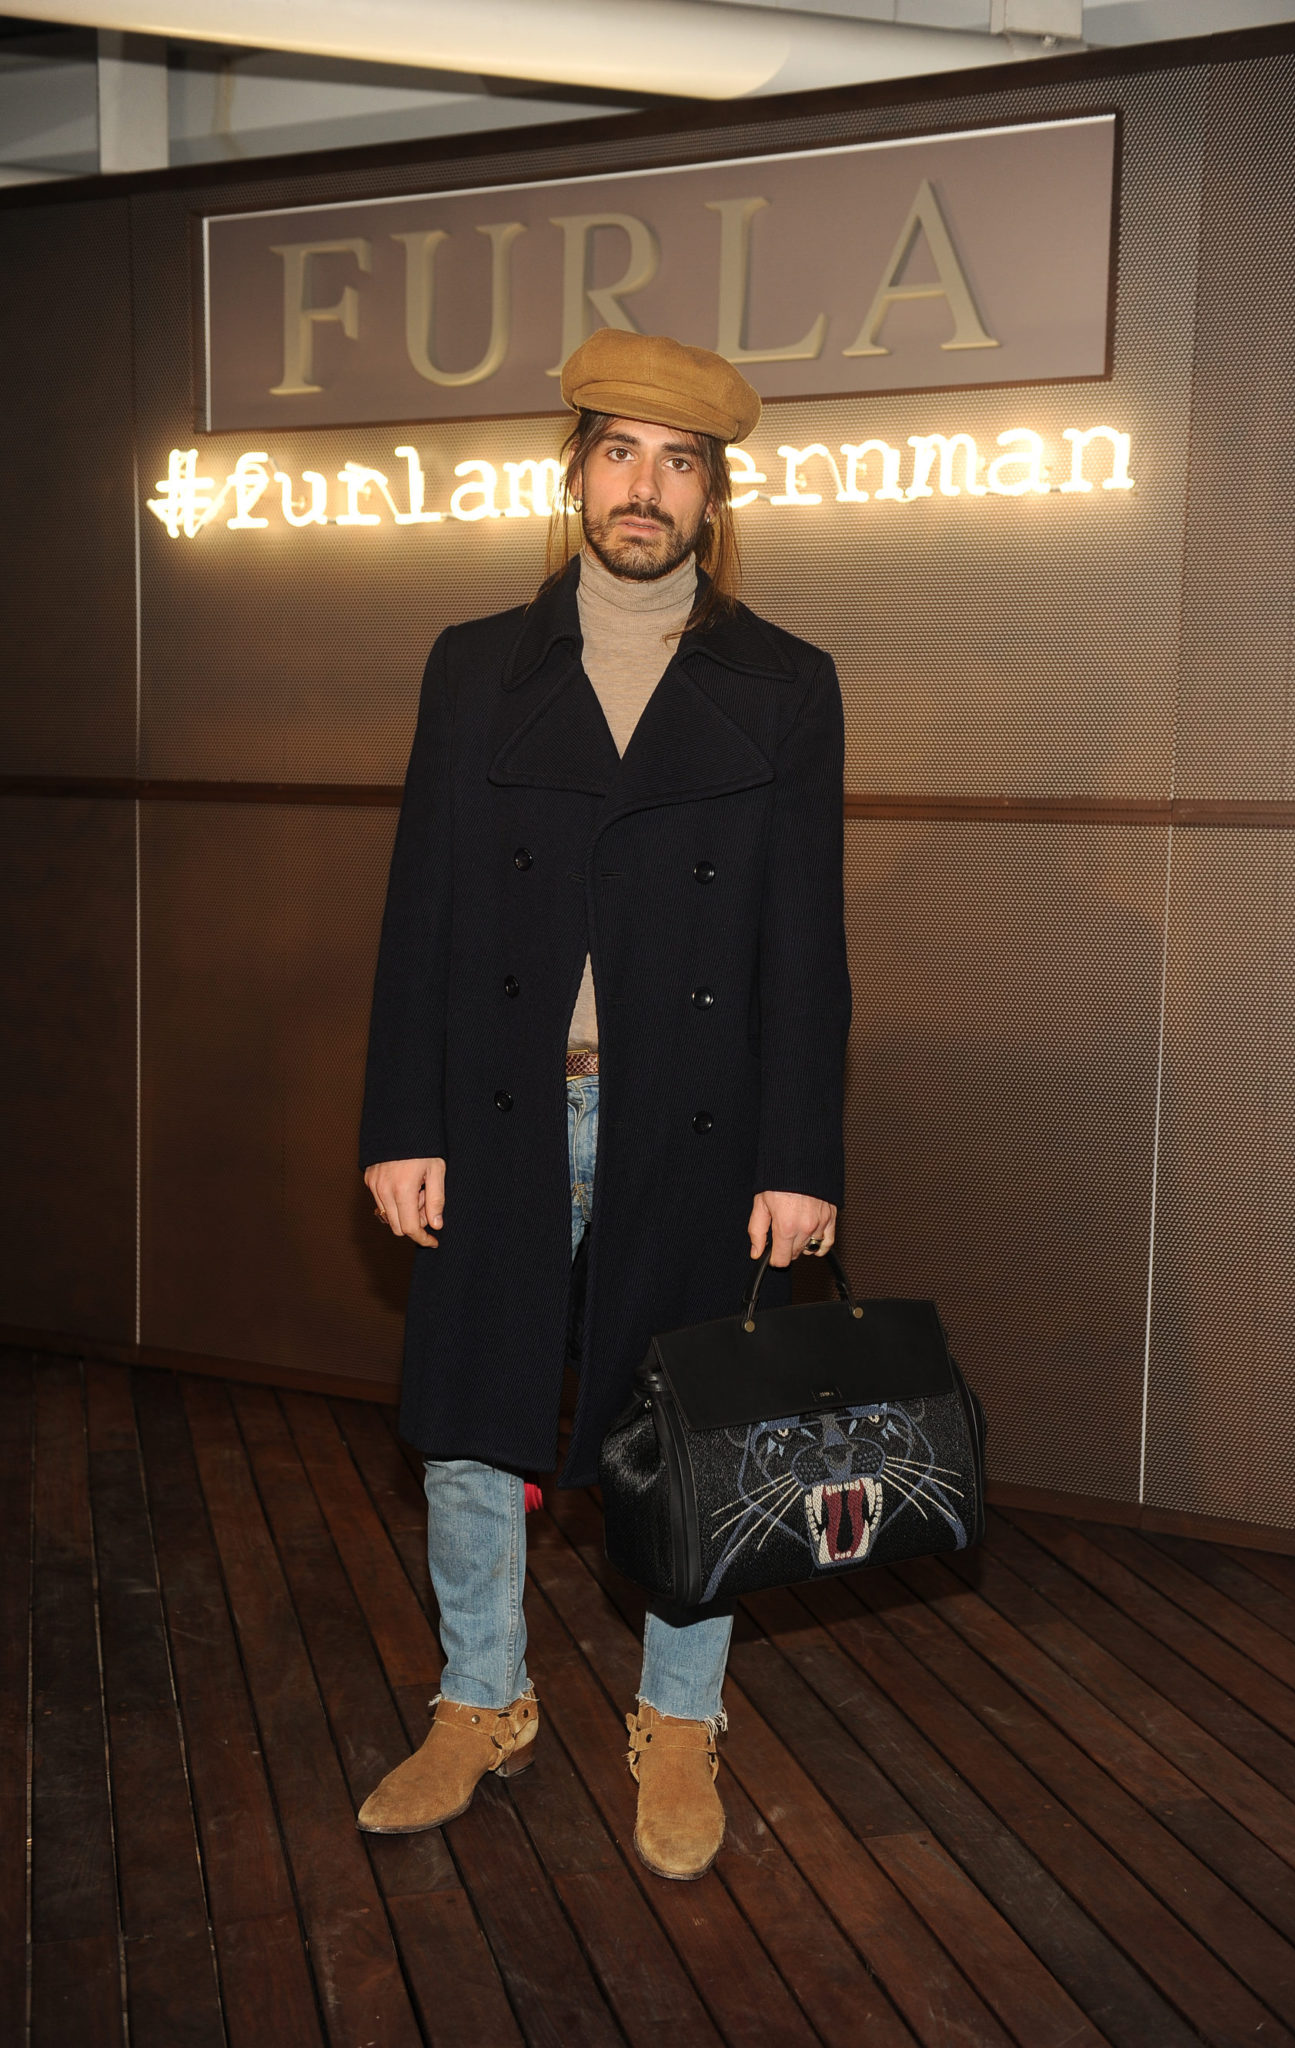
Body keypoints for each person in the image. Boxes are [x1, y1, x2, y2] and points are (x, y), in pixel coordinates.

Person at [356, 328, 852, 1880]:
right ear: (575, 473)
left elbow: (806, 939)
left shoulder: (787, 684)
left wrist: (799, 1153)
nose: (646, 488)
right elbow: (423, 908)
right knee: (470, 1418)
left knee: (696, 1428)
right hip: (501, 1109)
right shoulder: (473, 666)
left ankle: (682, 1722)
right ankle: (479, 1702)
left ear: (714, 495)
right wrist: (401, 1119)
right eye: (621, 453)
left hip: (690, 1124)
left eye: (679, 462)